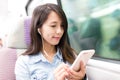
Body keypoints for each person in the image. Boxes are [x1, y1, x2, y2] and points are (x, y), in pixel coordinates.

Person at [15, 3, 86, 80]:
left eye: (62, 26)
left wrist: (82, 78)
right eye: (53, 26)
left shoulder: (70, 54)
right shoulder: (24, 62)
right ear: (39, 29)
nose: (59, 31)